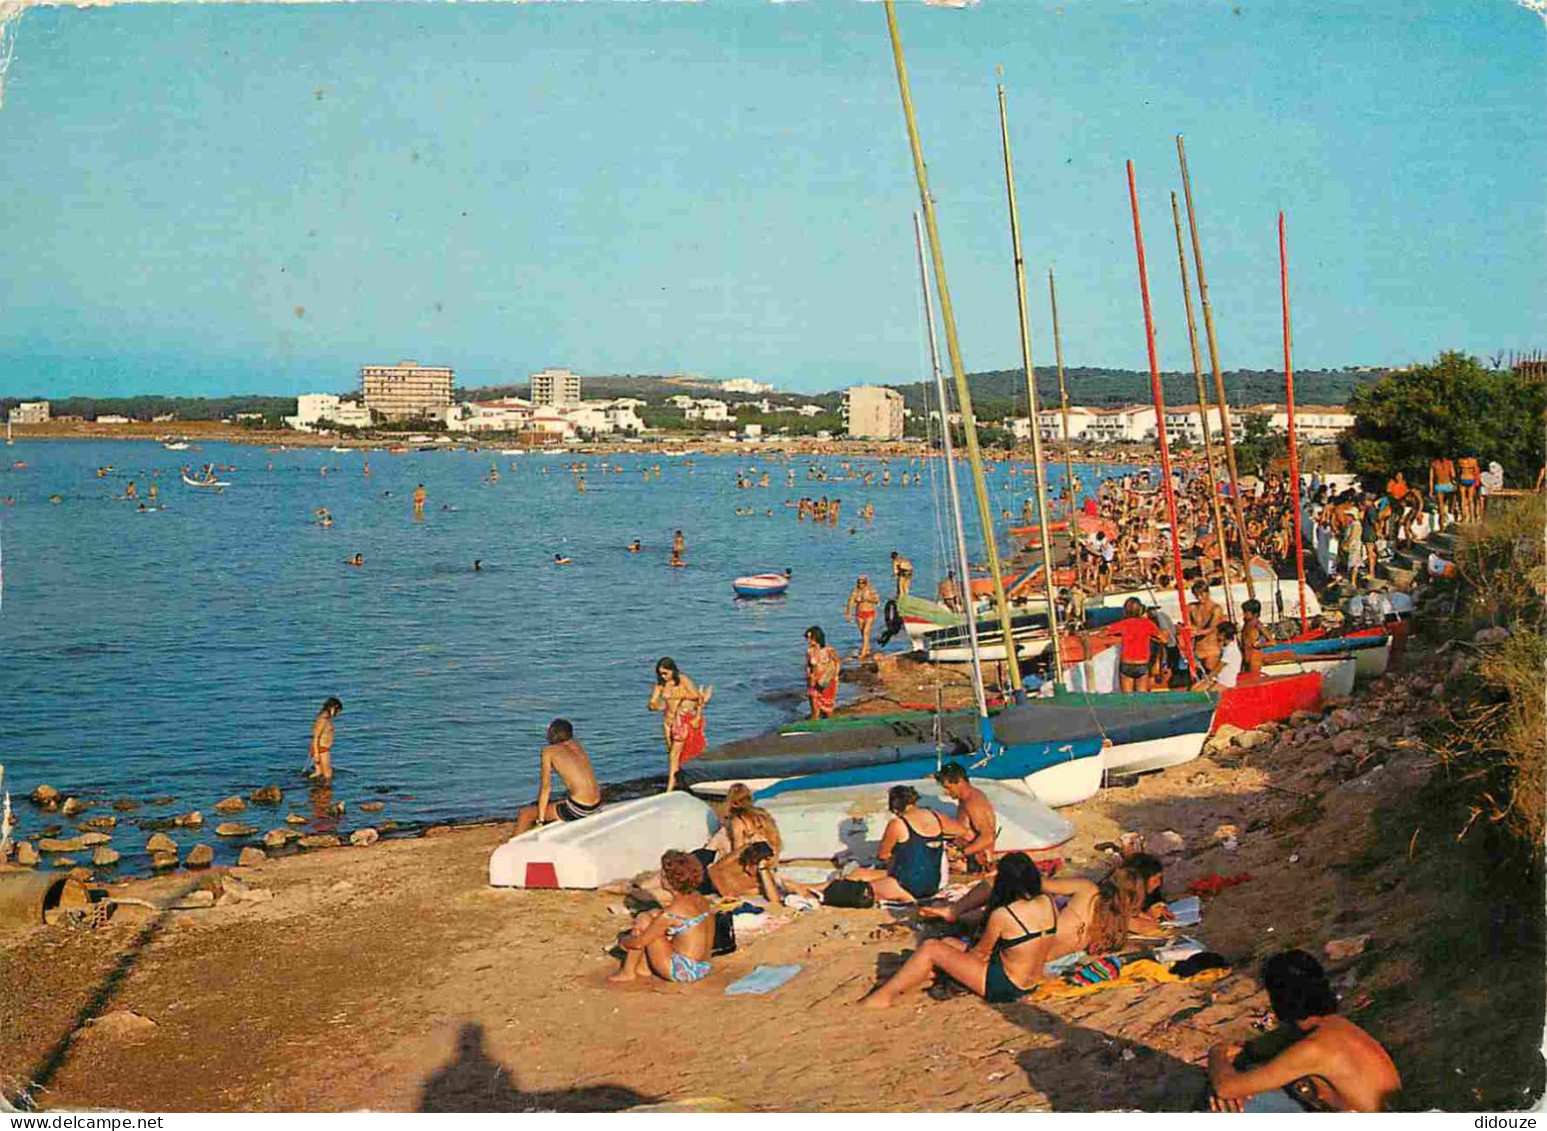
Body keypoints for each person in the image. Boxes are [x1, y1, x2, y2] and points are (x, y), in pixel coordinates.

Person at [1207, 949, 1402, 1112]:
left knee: (1231, 1106)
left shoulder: (1316, 1047)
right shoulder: (1333, 1028)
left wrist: (1216, 1053)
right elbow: (1255, 1050)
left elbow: (1226, 1088)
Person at [861, 853, 1056, 1009]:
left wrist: (953, 964)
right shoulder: (1048, 902)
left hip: (1004, 987)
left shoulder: (1004, 915)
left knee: (931, 948)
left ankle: (882, 997)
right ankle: (908, 979)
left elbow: (980, 954)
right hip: (1030, 981)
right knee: (947, 946)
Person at [839, 785, 968, 903]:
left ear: (895, 809)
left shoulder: (898, 824)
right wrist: (941, 840)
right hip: (933, 884)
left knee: (856, 876)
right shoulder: (937, 816)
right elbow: (962, 831)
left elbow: (882, 855)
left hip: (907, 885)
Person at [607, 850, 716, 986]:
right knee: (653, 915)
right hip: (704, 966)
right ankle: (643, 968)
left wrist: (623, 942)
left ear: (668, 881)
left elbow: (639, 943)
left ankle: (627, 972)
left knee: (644, 920)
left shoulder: (674, 910)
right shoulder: (699, 898)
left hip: (684, 971)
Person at [513, 718, 603, 834]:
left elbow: (546, 788)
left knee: (525, 814)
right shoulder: (577, 745)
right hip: (596, 805)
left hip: (579, 809)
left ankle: (515, 847)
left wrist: (540, 821)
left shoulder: (549, 752)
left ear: (553, 734)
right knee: (558, 802)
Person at [649, 657, 712, 792]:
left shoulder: (683, 680)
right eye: (660, 674)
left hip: (681, 721)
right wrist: (656, 705)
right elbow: (652, 703)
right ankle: (680, 780)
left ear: (673, 670)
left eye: (665, 673)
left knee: (674, 755)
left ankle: (670, 787)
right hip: (667, 722)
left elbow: (696, 696)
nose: (663, 676)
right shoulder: (660, 685)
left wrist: (681, 694)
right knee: (672, 753)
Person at [934, 761, 997, 873]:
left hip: (975, 862)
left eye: (948, 788)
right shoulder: (966, 799)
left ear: (960, 782)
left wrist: (960, 854)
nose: (946, 793)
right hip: (968, 856)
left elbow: (988, 837)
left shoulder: (974, 802)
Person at [1111, 597, 1167, 693]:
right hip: (1142, 663)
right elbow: (1163, 639)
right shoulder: (1147, 624)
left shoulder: (1123, 624)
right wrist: (1151, 637)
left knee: (1127, 699)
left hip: (1127, 663)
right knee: (1141, 697)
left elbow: (1104, 633)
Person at [1187, 579, 1225, 675]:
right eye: (1196, 595)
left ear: (1207, 592)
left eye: (1201, 594)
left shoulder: (1216, 608)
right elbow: (1188, 625)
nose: (1199, 597)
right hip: (1197, 650)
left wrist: (1196, 632)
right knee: (1196, 678)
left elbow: (1212, 628)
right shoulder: (1191, 607)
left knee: (1211, 675)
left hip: (1211, 649)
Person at [804, 626, 841, 719]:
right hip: (814, 680)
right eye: (807, 638)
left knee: (827, 708)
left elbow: (837, 661)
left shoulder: (828, 650)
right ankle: (814, 724)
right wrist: (809, 677)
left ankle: (831, 726)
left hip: (827, 680)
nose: (808, 640)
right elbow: (809, 665)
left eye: (810, 637)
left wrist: (835, 674)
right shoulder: (809, 651)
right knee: (814, 706)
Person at [844, 574, 882, 660]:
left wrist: (868, 599)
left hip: (869, 613)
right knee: (863, 633)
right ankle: (867, 648)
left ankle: (863, 652)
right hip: (859, 614)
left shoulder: (871, 590)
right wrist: (848, 613)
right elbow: (851, 601)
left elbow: (877, 600)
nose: (861, 584)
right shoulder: (855, 591)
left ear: (866, 582)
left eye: (863, 583)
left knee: (866, 632)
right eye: (859, 582)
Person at [309, 697, 342, 782]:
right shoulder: (322, 720)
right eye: (338, 711)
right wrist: (316, 754)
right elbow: (316, 737)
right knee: (328, 774)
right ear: (333, 708)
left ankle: (315, 791)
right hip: (321, 749)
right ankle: (326, 793)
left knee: (319, 773)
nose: (338, 714)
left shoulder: (324, 719)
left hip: (320, 748)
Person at [1239, 599, 1266, 676]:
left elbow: (1272, 642)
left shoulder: (1258, 625)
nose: (1244, 615)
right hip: (1245, 657)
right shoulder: (1246, 624)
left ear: (1255, 614)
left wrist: (1258, 645)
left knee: (1254, 678)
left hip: (1254, 658)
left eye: (1246, 613)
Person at [1429, 455, 1455, 527]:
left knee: (1441, 504)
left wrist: (1431, 489)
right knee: (1451, 501)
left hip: (1439, 485)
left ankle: (1442, 521)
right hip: (1447, 485)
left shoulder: (1434, 463)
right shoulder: (1449, 463)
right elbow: (1453, 475)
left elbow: (1431, 478)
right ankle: (1451, 514)